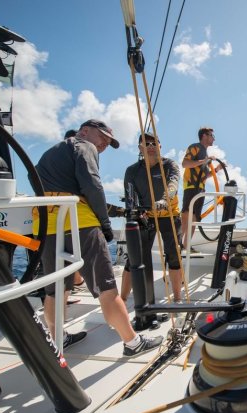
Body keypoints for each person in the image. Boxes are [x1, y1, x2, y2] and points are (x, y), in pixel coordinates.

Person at [33, 119, 163, 356]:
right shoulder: (84, 146)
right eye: (102, 137)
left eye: (108, 142)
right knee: (106, 286)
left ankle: (58, 338)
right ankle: (132, 343)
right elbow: (92, 186)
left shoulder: (52, 153)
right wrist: (105, 224)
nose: (103, 144)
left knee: (55, 288)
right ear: (85, 131)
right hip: (80, 223)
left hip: (48, 225)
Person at [122, 131, 183, 302]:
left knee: (174, 255)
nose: (150, 146)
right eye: (145, 144)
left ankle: (177, 298)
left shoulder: (169, 165)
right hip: (146, 216)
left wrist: (164, 200)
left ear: (160, 146)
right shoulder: (132, 171)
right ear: (140, 148)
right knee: (134, 257)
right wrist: (133, 215)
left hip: (169, 215)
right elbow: (129, 195)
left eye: (153, 143)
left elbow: (173, 184)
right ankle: (122, 298)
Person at [181, 127, 223, 253]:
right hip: (191, 186)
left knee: (195, 219)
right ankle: (176, 244)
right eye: (212, 136)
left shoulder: (205, 153)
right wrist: (204, 161)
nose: (213, 139)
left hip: (200, 188)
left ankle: (186, 246)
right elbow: (185, 163)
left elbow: (204, 175)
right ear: (204, 135)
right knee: (187, 216)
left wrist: (217, 169)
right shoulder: (195, 147)